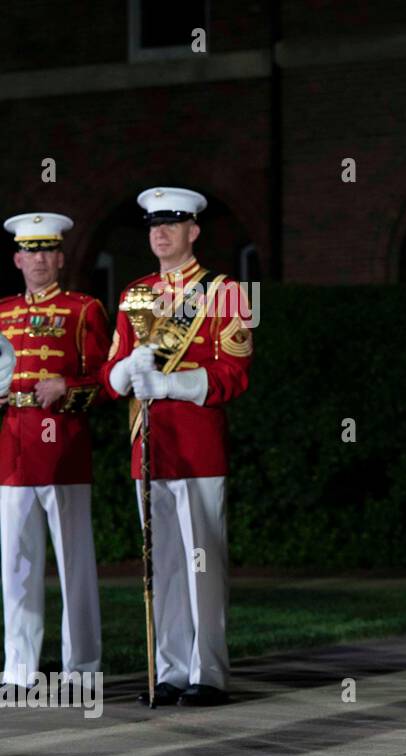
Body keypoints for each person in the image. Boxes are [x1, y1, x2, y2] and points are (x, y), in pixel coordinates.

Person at [100, 187, 253, 707]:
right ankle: (167, 669)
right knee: (159, 563)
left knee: (202, 561)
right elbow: (109, 374)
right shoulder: (135, 294)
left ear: (194, 231)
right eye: (152, 225)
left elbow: (236, 375)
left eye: (171, 223)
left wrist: (171, 384)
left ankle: (207, 672)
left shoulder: (226, 292)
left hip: (198, 444)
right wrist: (124, 372)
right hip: (149, 445)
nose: (159, 233)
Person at [0, 213, 109, 688]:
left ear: (61, 257)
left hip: (64, 445)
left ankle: (82, 669)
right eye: (32, 251)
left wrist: (67, 386)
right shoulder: (1, 311)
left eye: (49, 251)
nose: (40, 259)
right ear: (18, 258)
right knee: (16, 565)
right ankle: (19, 670)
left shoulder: (84, 309)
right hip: (13, 448)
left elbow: (107, 381)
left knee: (74, 564)